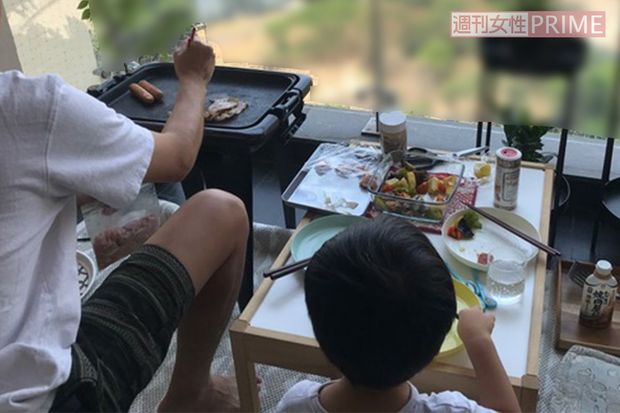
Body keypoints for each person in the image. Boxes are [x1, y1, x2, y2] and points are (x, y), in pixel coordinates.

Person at [0, 35, 249, 412]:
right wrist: (194, 79)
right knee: (220, 211)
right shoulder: (24, 105)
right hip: (45, 398)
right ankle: (193, 394)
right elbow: (177, 157)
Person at [276, 216, 521, 413]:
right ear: (435, 345)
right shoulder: (450, 409)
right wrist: (479, 341)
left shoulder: (294, 404)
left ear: (321, 337)